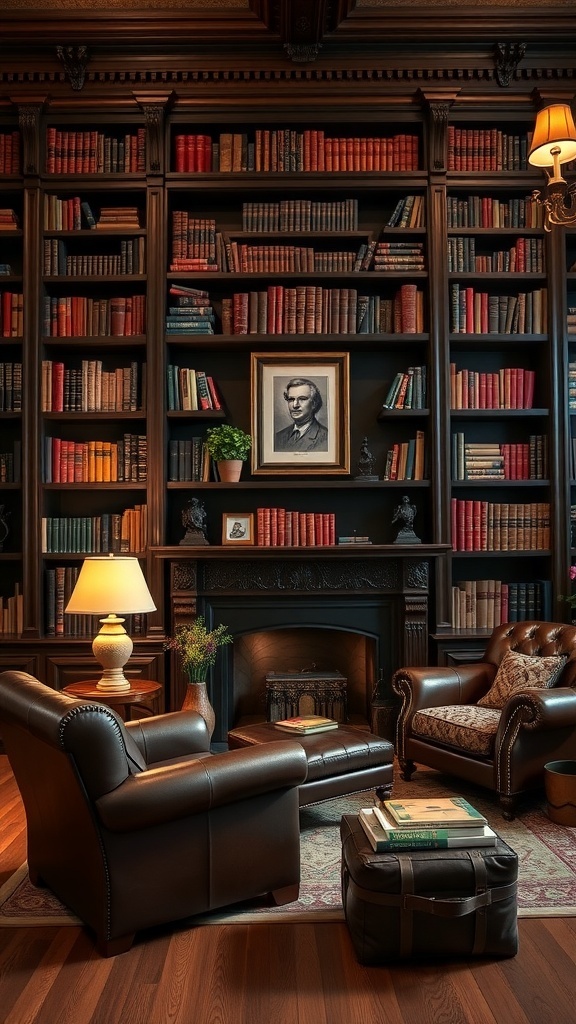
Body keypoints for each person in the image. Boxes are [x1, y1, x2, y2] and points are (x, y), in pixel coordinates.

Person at [274, 377, 329, 452]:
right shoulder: (278, 437)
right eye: (291, 399)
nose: (295, 405)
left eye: (302, 399)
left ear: (314, 403)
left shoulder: (326, 438)